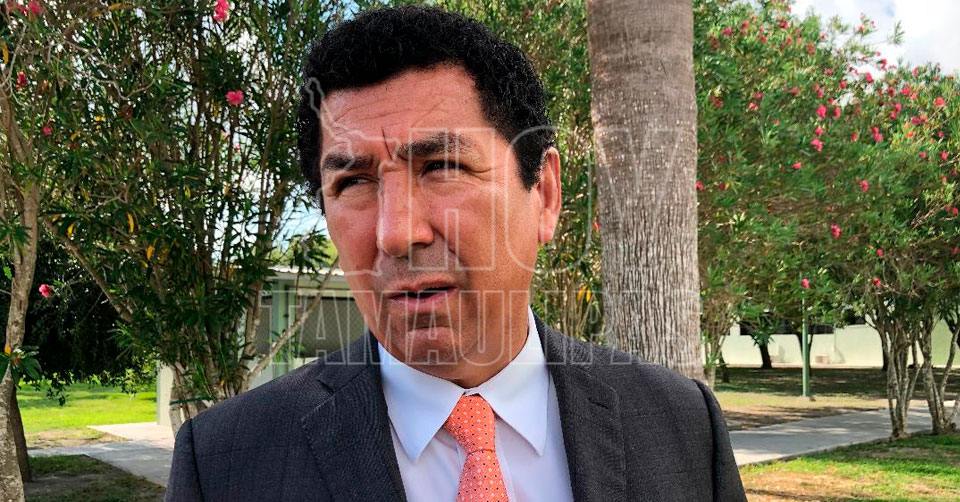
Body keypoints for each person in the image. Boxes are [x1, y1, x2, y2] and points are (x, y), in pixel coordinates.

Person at [165, 6, 747, 502]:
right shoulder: (224, 465)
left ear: (544, 194)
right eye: (354, 182)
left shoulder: (681, 426)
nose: (396, 234)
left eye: (442, 166)